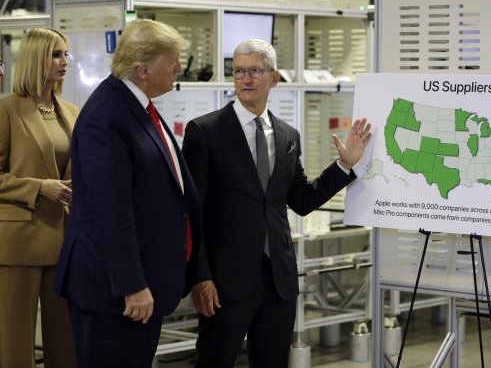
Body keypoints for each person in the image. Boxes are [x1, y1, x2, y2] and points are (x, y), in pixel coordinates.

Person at [182, 38, 372, 368]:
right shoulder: (205, 131)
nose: (246, 79)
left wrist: (345, 166)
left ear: (274, 78)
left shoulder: (287, 136)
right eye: (239, 71)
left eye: (255, 71)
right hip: (224, 282)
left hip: (278, 281)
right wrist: (199, 278)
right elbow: (191, 213)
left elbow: (301, 200)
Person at [54, 19, 203, 368]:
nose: (179, 69)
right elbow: (110, 211)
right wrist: (132, 284)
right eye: (173, 62)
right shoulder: (106, 116)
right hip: (114, 293)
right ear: (144, 69)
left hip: (139, 287)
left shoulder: (138, 107)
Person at [0, 28, 77, 367]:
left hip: (66, 239)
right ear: (36, 59)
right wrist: (37, 187)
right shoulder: (7, 110)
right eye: (56, 54)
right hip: (20, 242)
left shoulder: (72, 112)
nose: (64, 62)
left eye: (66, 54)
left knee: (66, 339)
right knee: (16, 342)